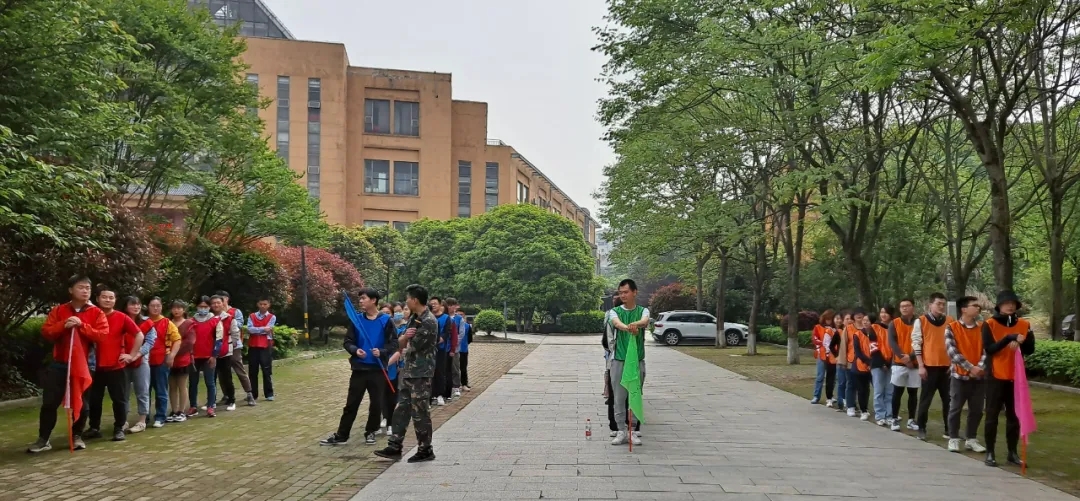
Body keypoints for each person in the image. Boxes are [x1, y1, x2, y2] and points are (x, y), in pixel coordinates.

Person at [28, 275, 109, 453]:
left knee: (82, 402)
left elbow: (102, 335)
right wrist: (64, 325)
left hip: (84, 364)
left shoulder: (96, 313)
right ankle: (43, 439)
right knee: (50, 402)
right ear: (71, 290)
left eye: (88, 288)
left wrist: (82, 326)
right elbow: (47, 332)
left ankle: (77, 435)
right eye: (81, 287)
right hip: (60, 362)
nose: (85, 291)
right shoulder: (59, 310)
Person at [321, 287, 398, 446]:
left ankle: (371, 432)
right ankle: (342, 435)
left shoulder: (386, 320)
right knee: (351, 403)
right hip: (359, 369)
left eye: (363, 298)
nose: (361, 301)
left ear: (373, 300)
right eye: (360, 298)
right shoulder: (356, 320)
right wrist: (356, 350)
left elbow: (394, 343)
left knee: (376, 404)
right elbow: (348, 342)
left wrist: (382, 352)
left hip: (377, 369)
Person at [374, 284, 438, 463]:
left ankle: (425, 449)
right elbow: (400, 343)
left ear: (415, 300)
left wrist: (405, 340)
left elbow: (411, 347)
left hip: (421, 374)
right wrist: (404, 338)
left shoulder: (428, 321)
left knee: (420, 412)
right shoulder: (414, 319)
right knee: (401, 409)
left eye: (408, 298)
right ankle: (395, 445)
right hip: (409, 371)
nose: (406, 302)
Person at [982, 290, 1036, 467]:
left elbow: (1030, 349)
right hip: (995, 376)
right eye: (1006, 303)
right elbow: (990, 349)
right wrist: (1008, 338)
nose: (1010, 306)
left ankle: (1012, 453)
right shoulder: (989, 324)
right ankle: (990, 452)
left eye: (1013, 303)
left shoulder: (1024, 324)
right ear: (999, 306)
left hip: (1016, 377)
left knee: (1014, 417)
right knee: (992, 415)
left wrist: (1022, 340)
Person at [84, 286, 136, 442]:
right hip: (95, 367)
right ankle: (94, 427)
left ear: (115, 300)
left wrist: (131, 355)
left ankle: (119, 428)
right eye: (104, 297)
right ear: (97, 299)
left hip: (116, 366)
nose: (108, 300)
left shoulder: (121, 317)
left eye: (111, 297)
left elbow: (139, 335)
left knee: (119, 400)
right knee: (94, 399)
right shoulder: (91, 315)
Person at [607, 279, 649, 447]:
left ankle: (632, 430)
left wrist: (635, 324)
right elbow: (616, 323)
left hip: (637, 361)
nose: (622, 295)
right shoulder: (614, 311)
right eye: (620, 292)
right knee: (619, 397)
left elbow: (645, 321)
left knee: (635, 395)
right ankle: (621, 430)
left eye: (626, 292)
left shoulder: (643, 310)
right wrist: (628, 328)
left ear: (634, 292)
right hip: (619, 360)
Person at [944, 296, 988, 454]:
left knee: (977, 409)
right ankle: (953, 438)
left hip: (979, 377)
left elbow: (987, 350)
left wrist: (980, 367)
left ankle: (971, 439)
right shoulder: (952, 327)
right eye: (974, 305)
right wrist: (970, 368)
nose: (978, 308)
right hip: (959, 376)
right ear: (963, 309)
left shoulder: (983, 327)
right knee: (955, 408)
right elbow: (952, 352)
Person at [912, 292, 954, 441]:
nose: (941, 306)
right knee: (926, 399)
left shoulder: (950, 321)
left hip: (946, 367)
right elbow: (916, 344)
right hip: (929, 366)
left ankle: (949, 430)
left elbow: (953, 343)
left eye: (943, 304)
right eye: (938, 304)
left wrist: (953, 363)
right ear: (930, 305)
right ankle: (921, 428)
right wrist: (921, 365)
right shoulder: (921, 321)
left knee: (948, 400)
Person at [143, 297, 180, 428]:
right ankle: (144, 416)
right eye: (152, 305)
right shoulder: (143, 321)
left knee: (161, 389)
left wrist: (172, 356)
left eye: (158, 305)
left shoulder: (167, 322)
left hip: (161, 360)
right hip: (144, 360)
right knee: (144, 390)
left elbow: (177, 340)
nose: (155, 308)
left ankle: (160, 416)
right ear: (147, 307)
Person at [216, 291, 254, 408]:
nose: (218, 304)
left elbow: (238, 325)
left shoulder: (235, 312)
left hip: (234, 345)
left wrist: (227, 319)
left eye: (221, 300)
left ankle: (249, 394)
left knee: (239, 369)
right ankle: (226, 395)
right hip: (220, 346)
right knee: (222, 372)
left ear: (226, 299)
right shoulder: (215, 314)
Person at [188, 296, 224, 418]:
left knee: (210, 382)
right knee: (193, 382)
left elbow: (219, 340)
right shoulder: (191, 321)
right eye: (201, 306)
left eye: (205, 306)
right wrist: (190, 354)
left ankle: (210, 406)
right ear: (196, 307)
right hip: (194, 357)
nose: (203, 309)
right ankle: (193, 406)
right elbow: (187, 340)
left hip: (209, 357)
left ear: (209, 307)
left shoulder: (216, 321)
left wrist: (214, 356)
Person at [888, 298, 920, 431]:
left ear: (913, 307)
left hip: (915, 362)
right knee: (897, 392)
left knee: (913, 392)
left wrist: (911, 357)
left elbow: (922, 341)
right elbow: (892, 343)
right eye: (902, 306)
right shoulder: (894, 323)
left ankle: (911, 419)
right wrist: (905, 359)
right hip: (899, 363)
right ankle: (894, 418)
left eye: (907, 305)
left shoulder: (920, 322)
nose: (905, 308)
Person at [124, 296, 154, 434]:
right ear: (125, 306)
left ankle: (142, 421)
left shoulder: (147, 322)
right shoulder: (121, 320)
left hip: (141, 360)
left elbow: (150, 342)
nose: (136, 307)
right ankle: (123, 421)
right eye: (132, 304)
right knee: (123, 392)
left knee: (142, 391)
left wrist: (136, 355)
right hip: (122, 360)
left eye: (138, 304)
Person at [210, 295, 244, 411]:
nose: (216, 305)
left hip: (225, 351)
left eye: (218, 302)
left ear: (223, 303)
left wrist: (231, 345)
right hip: (211, 352)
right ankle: (211, 401)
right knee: (212, 377)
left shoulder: (229, 318)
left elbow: (235, 333)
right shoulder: (209, 318)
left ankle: (232, 400)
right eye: (213, 303)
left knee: (227, 376)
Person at [380, 302, 408, 435]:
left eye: (388, 313)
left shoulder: (396, 331)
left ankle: (391, 422)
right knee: (379, 395)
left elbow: (398, 351)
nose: (386, 316)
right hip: (377, 368)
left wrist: (392, 364)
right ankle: (383, 417)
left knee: (391, 395)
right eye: (383, 313)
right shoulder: (377, 330)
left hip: (391, 368)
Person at [168, 300, 195, 423]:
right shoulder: (167, 322)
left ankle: (182, 411)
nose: (176, 310)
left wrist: (174, 352)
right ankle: (174, 410)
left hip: (183, 359)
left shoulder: (189, 324)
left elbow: (189, 342)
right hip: (169, 359)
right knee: (172, 386)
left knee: (182, 385)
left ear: (184, 310)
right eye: (174, 308)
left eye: (179, 308)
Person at [246, 298, 276, 402]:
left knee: (267, 370)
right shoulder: (252, 316)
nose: (263, 306)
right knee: (252, 371)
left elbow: (269, 329)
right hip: (253, 346)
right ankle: (253, 394)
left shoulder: (272, 317)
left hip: (265, 346)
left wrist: (257, 329)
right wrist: (263, 329)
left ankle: (269, 393)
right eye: (261, 304)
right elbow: (250, 329)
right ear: (257, 304)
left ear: (269, 305)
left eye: (265, 304)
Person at [870, 306, 895, 427]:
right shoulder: (874, 327)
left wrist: (890, 362)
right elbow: (873, 347)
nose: (883, 315)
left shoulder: (894, 326)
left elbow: (896, 345)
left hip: (892, 363)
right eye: (881, 312)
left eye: (886, 312)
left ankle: (889, 415)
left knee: (890, 391)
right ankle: (880, 415)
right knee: (879, 391)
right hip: (877, 363)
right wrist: (882, 363)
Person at [428, 297, 453, 406]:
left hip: (441, 349)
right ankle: (430, 396)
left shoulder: (446, 318)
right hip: (428, 350)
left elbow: (446, 333)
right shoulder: (428, 317)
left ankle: (440, 395)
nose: (433, 305)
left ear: (440, 305)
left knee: (440, 372)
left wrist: (438, 341)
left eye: (435, 303)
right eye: (431, 303)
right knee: (429, 373)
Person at [849, 309, 873, 421]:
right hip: (860, 366)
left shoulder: (876, 333)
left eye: (867, 320)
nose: (865, 322)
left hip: (874, 366)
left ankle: (884, 411)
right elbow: (858, 352)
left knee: (871, 389)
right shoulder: (857, 335)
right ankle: (863, 410)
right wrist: (868, 362)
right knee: (862, 389)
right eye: (864, 320)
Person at [811, 310, 836, 405]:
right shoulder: (818, 327)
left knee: (832, 377)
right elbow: (815, 339)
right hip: (821, 354)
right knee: (820, 376)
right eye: (827, 319)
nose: (829, 321)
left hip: (832, 355)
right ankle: (816, 396)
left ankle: (830, 396)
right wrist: (825, 343)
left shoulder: (835, 329)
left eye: (831, 319)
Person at [831, 311, 851, 411]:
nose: (849, 321)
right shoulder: (839, 332)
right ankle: (840, 404)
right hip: (841, 361)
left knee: (850, 383)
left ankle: (850, 403)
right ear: (843, 321)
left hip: (851, 361)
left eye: (851, 319)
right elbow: (831, 346)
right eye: (847, 319)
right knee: (841, 382)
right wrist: (836, 356)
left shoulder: (855, 331)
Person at [447, 298, 463, 399]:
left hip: (455, 348)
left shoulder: (459, 318)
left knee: (455, 367)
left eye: (452, 305)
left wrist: (455, 343)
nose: (450, 307)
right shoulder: (444, 317)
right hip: (445, 347)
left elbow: (461, 333)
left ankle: (456, 386)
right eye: (448, 305)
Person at [455, 310, 471, 392]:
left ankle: (464, 383)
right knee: (454, 368)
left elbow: (470, 339)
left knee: (463, 368)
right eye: (458, 314)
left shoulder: (467, 326)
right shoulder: (452, 323)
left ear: (464, 316)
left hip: (463, 349)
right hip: (454, 349)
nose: (460, 316)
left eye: (461, 314)